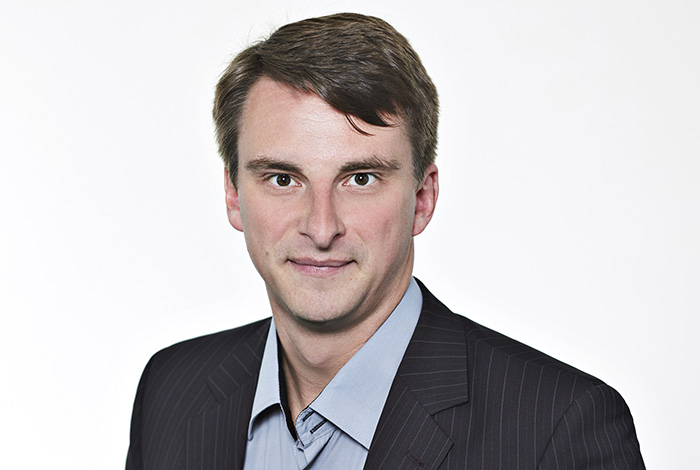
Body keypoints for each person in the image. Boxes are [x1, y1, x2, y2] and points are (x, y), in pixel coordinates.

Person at [126, 12, 645, 470]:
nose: (321, 228)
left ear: (422, 198)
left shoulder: (559, 429)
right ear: (234, 195)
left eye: (360, 179)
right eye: (283, 179)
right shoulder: (172, 391)